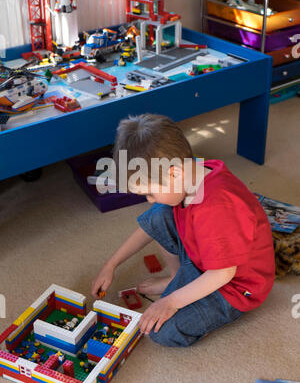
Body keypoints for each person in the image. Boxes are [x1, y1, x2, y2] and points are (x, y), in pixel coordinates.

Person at [91, 113, 275, 347]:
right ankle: (178, 278)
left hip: (234, 285)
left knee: (163, 331)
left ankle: (187, 293)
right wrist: (111, 265)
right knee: (159, 214)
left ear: (175, 173)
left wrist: (171, 302)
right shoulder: (191, 173)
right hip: (204, 255)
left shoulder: (217, 208)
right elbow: (150, 227)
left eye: (150, 192)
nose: (149, 199)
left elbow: (223, 273)